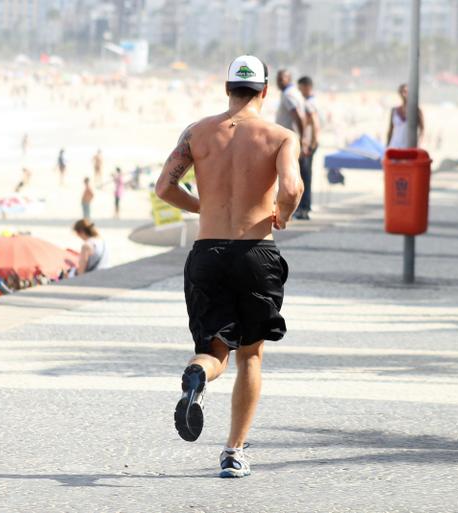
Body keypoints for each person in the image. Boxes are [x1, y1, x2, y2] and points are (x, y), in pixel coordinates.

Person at [155, 55, 303, 478]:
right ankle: (234, 452)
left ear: (226, 89)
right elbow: (291, 187)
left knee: (213, 349)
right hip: (256, 251)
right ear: (265, 91)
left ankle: (198, 377)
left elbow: (165, 186)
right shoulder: (280, 136)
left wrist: (203, 207)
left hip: (207, 253)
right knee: (251, 355)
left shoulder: (197, 133)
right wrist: (283, 213)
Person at [275, 69, 310, 220]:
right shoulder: (294, 93)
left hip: (290, 143)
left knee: (292, 177)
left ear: (289, 79)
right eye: (277, 79)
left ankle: (298, 209)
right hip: (293, 140)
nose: (278, 81)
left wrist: (302, 139)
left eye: (282, 79)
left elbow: (299, 117)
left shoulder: (289, 95)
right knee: (301, 175)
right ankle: (302, 208)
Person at [297, 76, 320, 220]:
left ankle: (304, 208)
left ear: (307, 87)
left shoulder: (308, 103)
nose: (299, 91)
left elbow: (315, 123)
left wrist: (311, 143)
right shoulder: (312, 101)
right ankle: (304, 207)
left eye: (300, 88)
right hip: (309, 143)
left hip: (308, 144)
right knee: (305, 176)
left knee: (304, 177)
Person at [386, 83, 424, 150]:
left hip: (409, 148)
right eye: (401, 92)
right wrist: (387, 146)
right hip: (394, 146)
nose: (403, 94)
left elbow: (422, 128)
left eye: (406, 92)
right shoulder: (394, 110)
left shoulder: (416, 110)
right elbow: (390, 130)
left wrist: (418, 142)